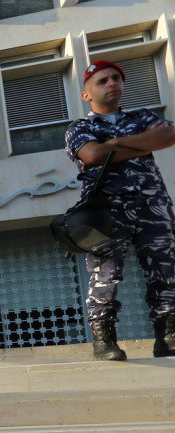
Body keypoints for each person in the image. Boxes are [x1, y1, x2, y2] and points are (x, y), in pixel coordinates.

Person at [65, 60, 175, 361]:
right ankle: (105, 339)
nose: (112, 83)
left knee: (166, 269)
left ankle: (167, 335)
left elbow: (168, 136)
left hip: (153, 204)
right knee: (105, 273)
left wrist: (113, 144)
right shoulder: (81, 128)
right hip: (106, 210)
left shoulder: (142, 117)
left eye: (116, 78)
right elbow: (92, 153)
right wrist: (143, 145)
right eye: (102, 81)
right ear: (87, 94)